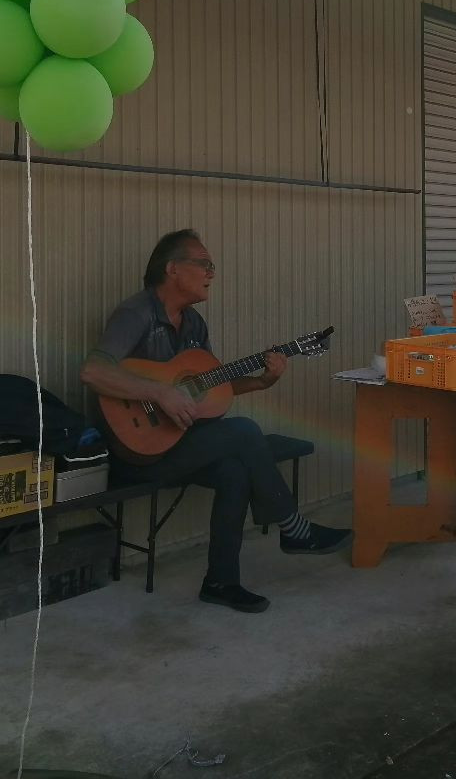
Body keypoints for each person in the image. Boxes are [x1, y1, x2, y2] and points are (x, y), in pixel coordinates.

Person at [80, 229, 351, 613]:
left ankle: (221, 581)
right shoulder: (136, 313)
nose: (212, 273)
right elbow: (93, 371)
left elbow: (206, 388)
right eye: (205, 264)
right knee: (243, 431)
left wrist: (260, 381)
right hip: (134, 451)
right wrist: (159, 393)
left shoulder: (193, 324)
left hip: (176, 444)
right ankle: (294, 529)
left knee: (233, 472)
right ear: (173, 269)